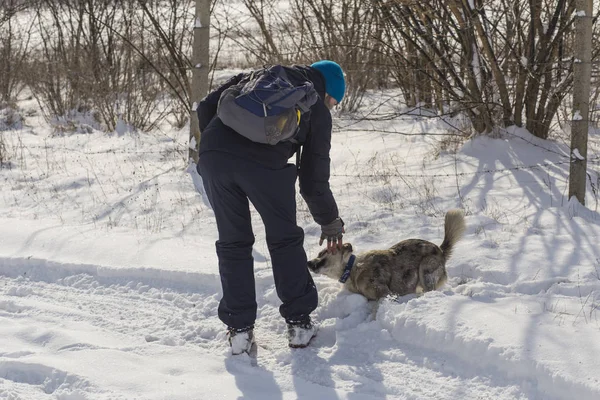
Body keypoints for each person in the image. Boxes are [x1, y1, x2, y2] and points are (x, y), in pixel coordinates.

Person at [196, 60, 346, 354]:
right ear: (328, 91)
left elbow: (205, 108)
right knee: (284, 238)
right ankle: (299, 324)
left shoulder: (259, 77)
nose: (331, 107)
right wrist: (330, 220)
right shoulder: (314, 104)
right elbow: (313, 181)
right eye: (334, 102)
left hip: (214, 156)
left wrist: (223, 147)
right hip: (263, 164)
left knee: (233, 242)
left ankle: (239, 331)